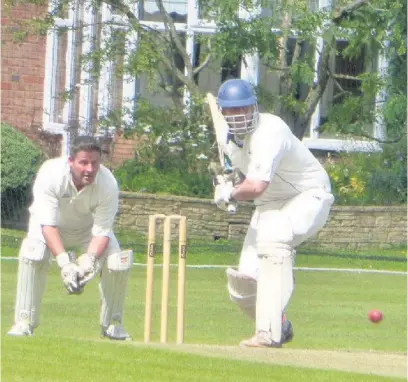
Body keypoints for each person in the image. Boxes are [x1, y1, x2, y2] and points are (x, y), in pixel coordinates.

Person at [213, 78, 334, 348]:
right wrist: (228, 184)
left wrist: (229, 194)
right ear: (223, 113)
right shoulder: (229, 141)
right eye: (232, 111)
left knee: (274, 238)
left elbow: (256, 186)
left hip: (308, 195)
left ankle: (267, 333)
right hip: (269, 205)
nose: (239, 116)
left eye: (243, 109)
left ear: (254, 107)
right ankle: (280, 323)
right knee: (242, 286)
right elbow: (244, 177)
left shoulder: (271, 129)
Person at [8, 136, 133, 340]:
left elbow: (102, 231)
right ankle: (24, 321)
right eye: (83, 162)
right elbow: (48, 225)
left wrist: (88, 261)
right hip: (49, 228)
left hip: (87, 231)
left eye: (94, 163)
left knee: (117, 262)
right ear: (71, 161)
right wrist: (66, 264)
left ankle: (112, 324)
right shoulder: (51, 174)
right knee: (33, 252)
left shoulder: (107, 183)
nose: (90, 169)